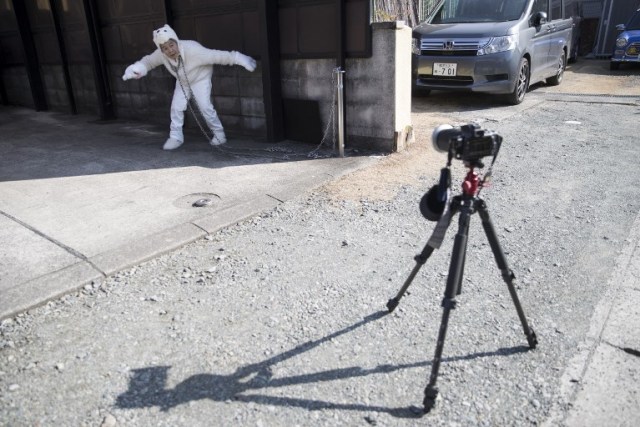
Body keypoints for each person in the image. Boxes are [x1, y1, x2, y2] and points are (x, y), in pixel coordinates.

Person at [122, 25, 257, 150]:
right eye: (165, 48)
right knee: (176, 107)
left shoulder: (194, 50)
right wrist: (137, 68)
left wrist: (240, 58)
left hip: (200, 78)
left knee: (205, 107)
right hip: (183, 80)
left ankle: (219, 134)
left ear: (176, 41)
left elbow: (219, 56)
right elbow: (148, 61)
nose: (170, 50)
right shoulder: (161, 55)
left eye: (171, 45)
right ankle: (176, 137)